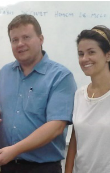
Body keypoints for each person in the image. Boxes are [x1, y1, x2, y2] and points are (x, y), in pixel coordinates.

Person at [0, 14, 77, 173]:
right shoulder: (4, 73)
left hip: (42, 168)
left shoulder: (61, 76)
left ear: (41, 39)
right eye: (14, 40)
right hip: (5, 166)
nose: (20, 44)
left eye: (26, 37)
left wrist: (14, 150)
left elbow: (55, 126)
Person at [65, 25, 110, 173]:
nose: (85, 59)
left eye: (91, 52)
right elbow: (75, 140)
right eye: (81, 53)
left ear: (108, 55)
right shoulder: (79, 94)